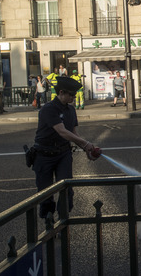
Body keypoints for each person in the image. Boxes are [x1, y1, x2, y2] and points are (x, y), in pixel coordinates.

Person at [32, 76, 101, 219]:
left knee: (66, 187)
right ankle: (48, 221)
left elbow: (73, 133)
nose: (74, 97)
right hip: (44, 155)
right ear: (61, 92)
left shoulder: (70, 110)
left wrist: (86, 149)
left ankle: (63, 220)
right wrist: (87, 144)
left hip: (63, 153)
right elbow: (62, 131)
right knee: (46, 192)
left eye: (75, 95)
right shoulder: (48, 109)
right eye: (71, 94)